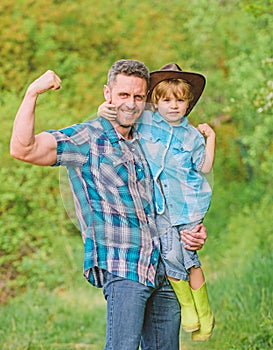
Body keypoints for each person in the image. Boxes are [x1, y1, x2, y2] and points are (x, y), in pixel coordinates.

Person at [10, 60, 208, 350]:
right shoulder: (87, 138)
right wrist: (32, 93)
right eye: (123, 95)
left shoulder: (150, 139)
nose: (131, 103)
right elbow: (22, 149)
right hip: (124, 266)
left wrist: (192, 231)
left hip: (165, 269)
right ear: (108, 94)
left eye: (138, 97)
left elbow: (178, 194)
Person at [98, 63, 215, 341]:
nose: (173, 106)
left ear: (188, 103)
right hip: (160, 207)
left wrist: (210, 137)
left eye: (180, 101)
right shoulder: (146, 122)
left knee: (190, 255)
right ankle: (190, 308)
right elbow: (120, 117)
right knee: (173, 254)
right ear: (156, 101)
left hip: (189, 204)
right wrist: (104, 111)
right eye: (166, 100)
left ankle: (205, 312)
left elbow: (205, 167)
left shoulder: (191, 136)